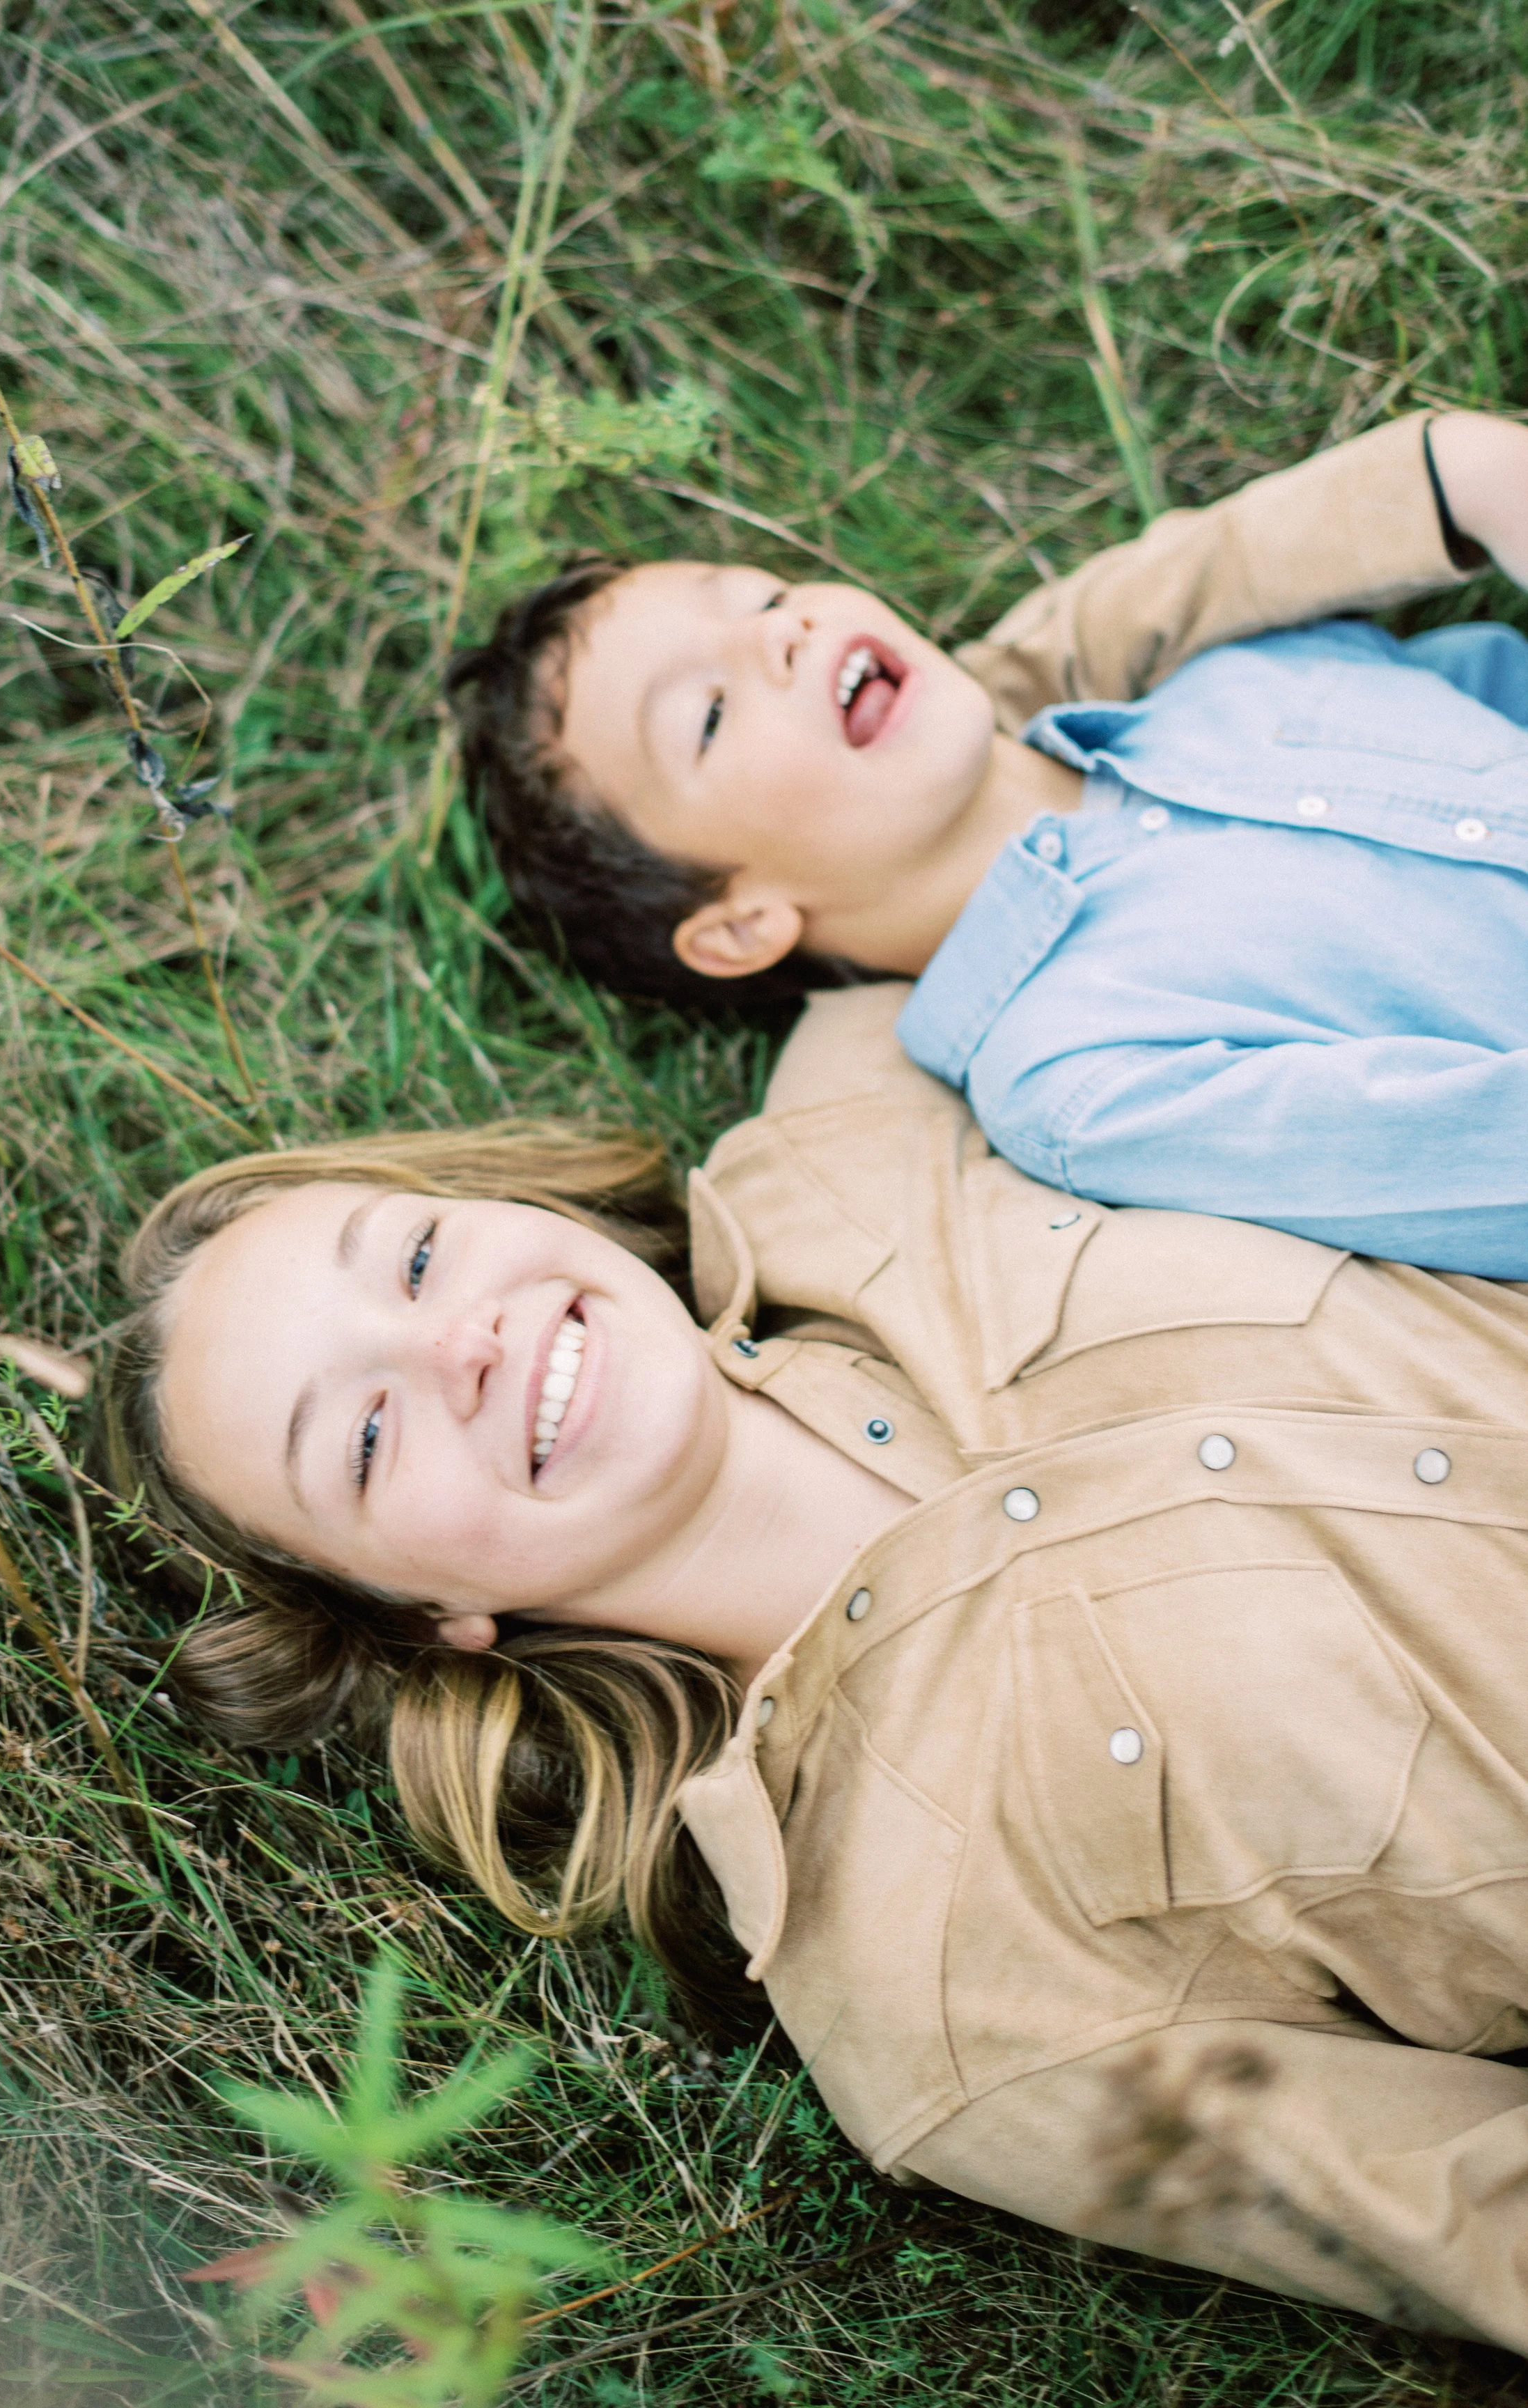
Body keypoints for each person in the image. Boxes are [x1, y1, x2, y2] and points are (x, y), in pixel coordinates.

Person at [107, 984, 1528, 2349]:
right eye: (362, 1439)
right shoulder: (937, 2004)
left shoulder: (857, 1122)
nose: (459, 1342)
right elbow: (1474, 2224)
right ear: (425, 1617)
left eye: (414, 1259)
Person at [446, 410, 1528, 1275]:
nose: (779, 632)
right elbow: (1483, 1164)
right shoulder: (1077, 1074)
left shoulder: (1244, 675)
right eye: (710, 715)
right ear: (739, 922)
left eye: (763, 595)